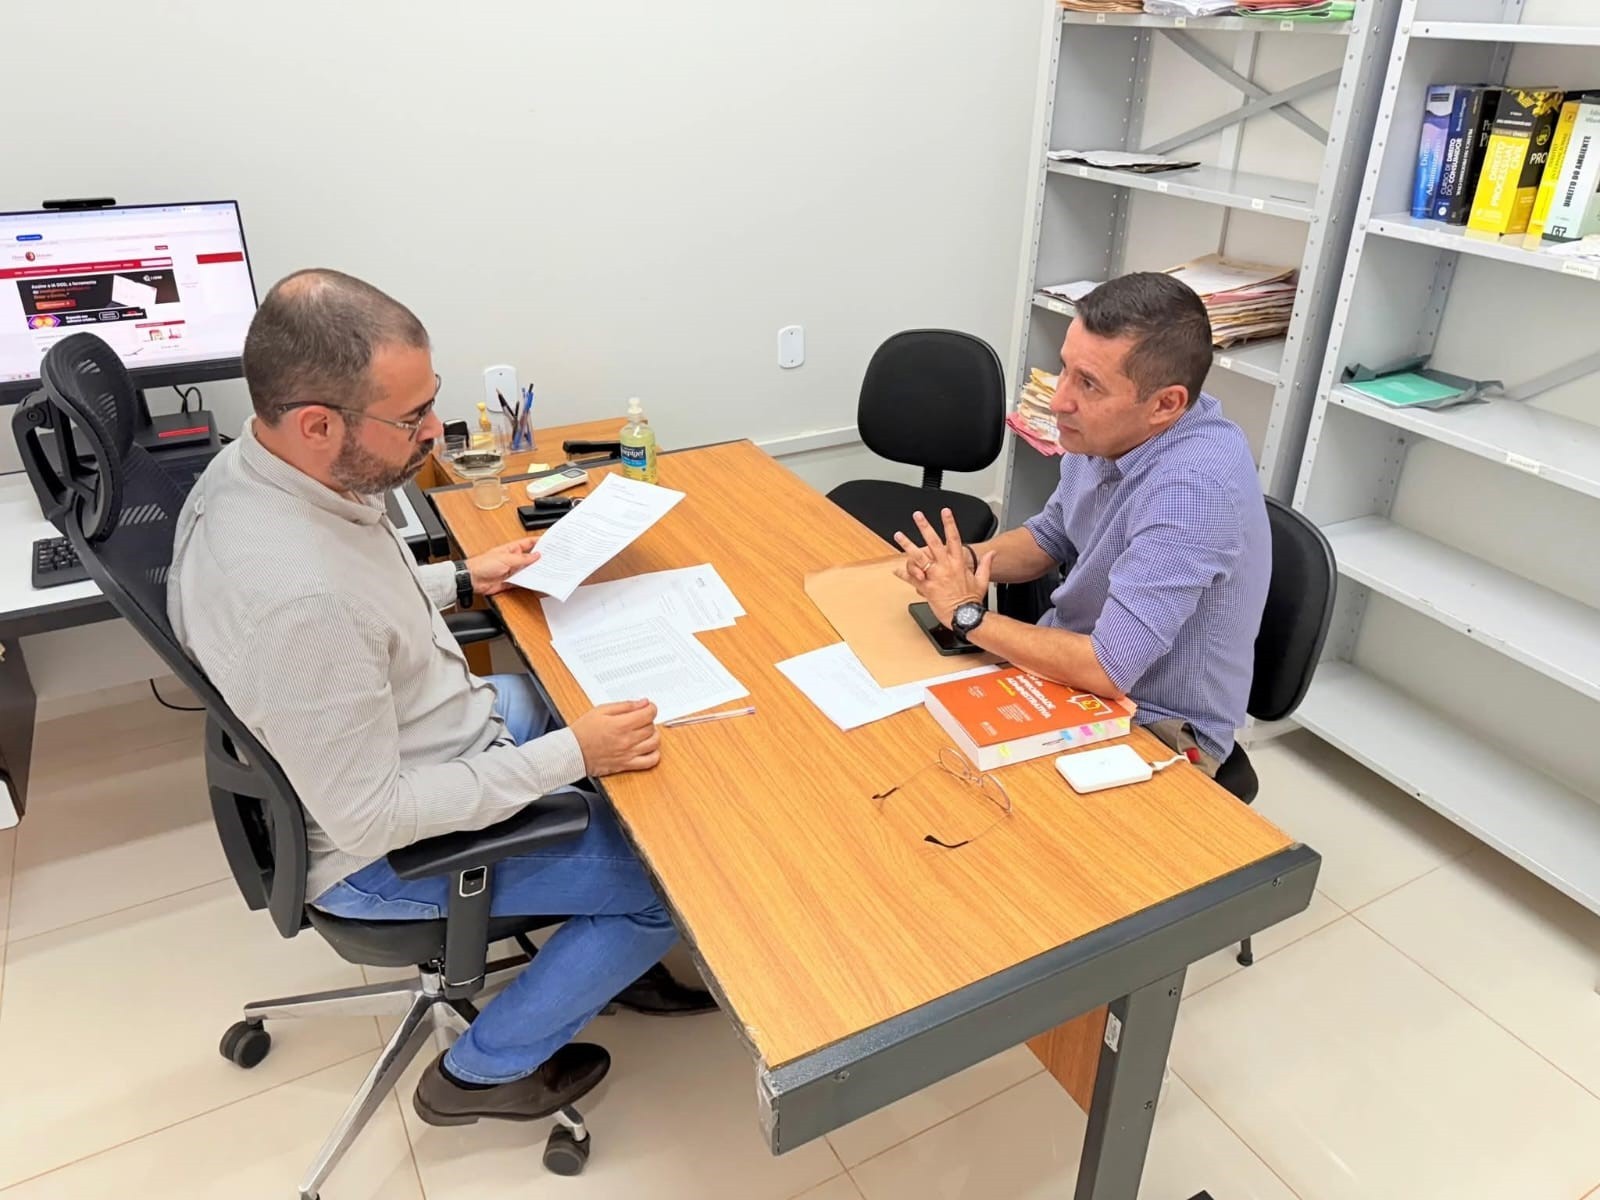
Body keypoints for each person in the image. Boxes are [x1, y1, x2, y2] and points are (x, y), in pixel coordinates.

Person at [168, 268, 712, 1130]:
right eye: (411, 417)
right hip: (383, 855)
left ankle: (594, 934)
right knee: (668, 881)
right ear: (317, 424)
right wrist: (574, 754)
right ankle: (481, 1072)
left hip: (420, 733)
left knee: (551, 689)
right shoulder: (297, 603)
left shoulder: (260, 471)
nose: (433, 431)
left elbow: (358, 608)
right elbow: (372, 816)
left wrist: (460, 577)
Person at [895, 272, 1270, 774]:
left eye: (1088, 383)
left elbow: (1108, 667)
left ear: (1166, 404)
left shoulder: (1193, 491)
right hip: (1072, 679)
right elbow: (1052, 535)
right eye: (1065, 368)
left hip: (1155, 726)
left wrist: (969, 617)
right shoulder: (1107, 431)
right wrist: (958, 563)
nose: (1059, 401)